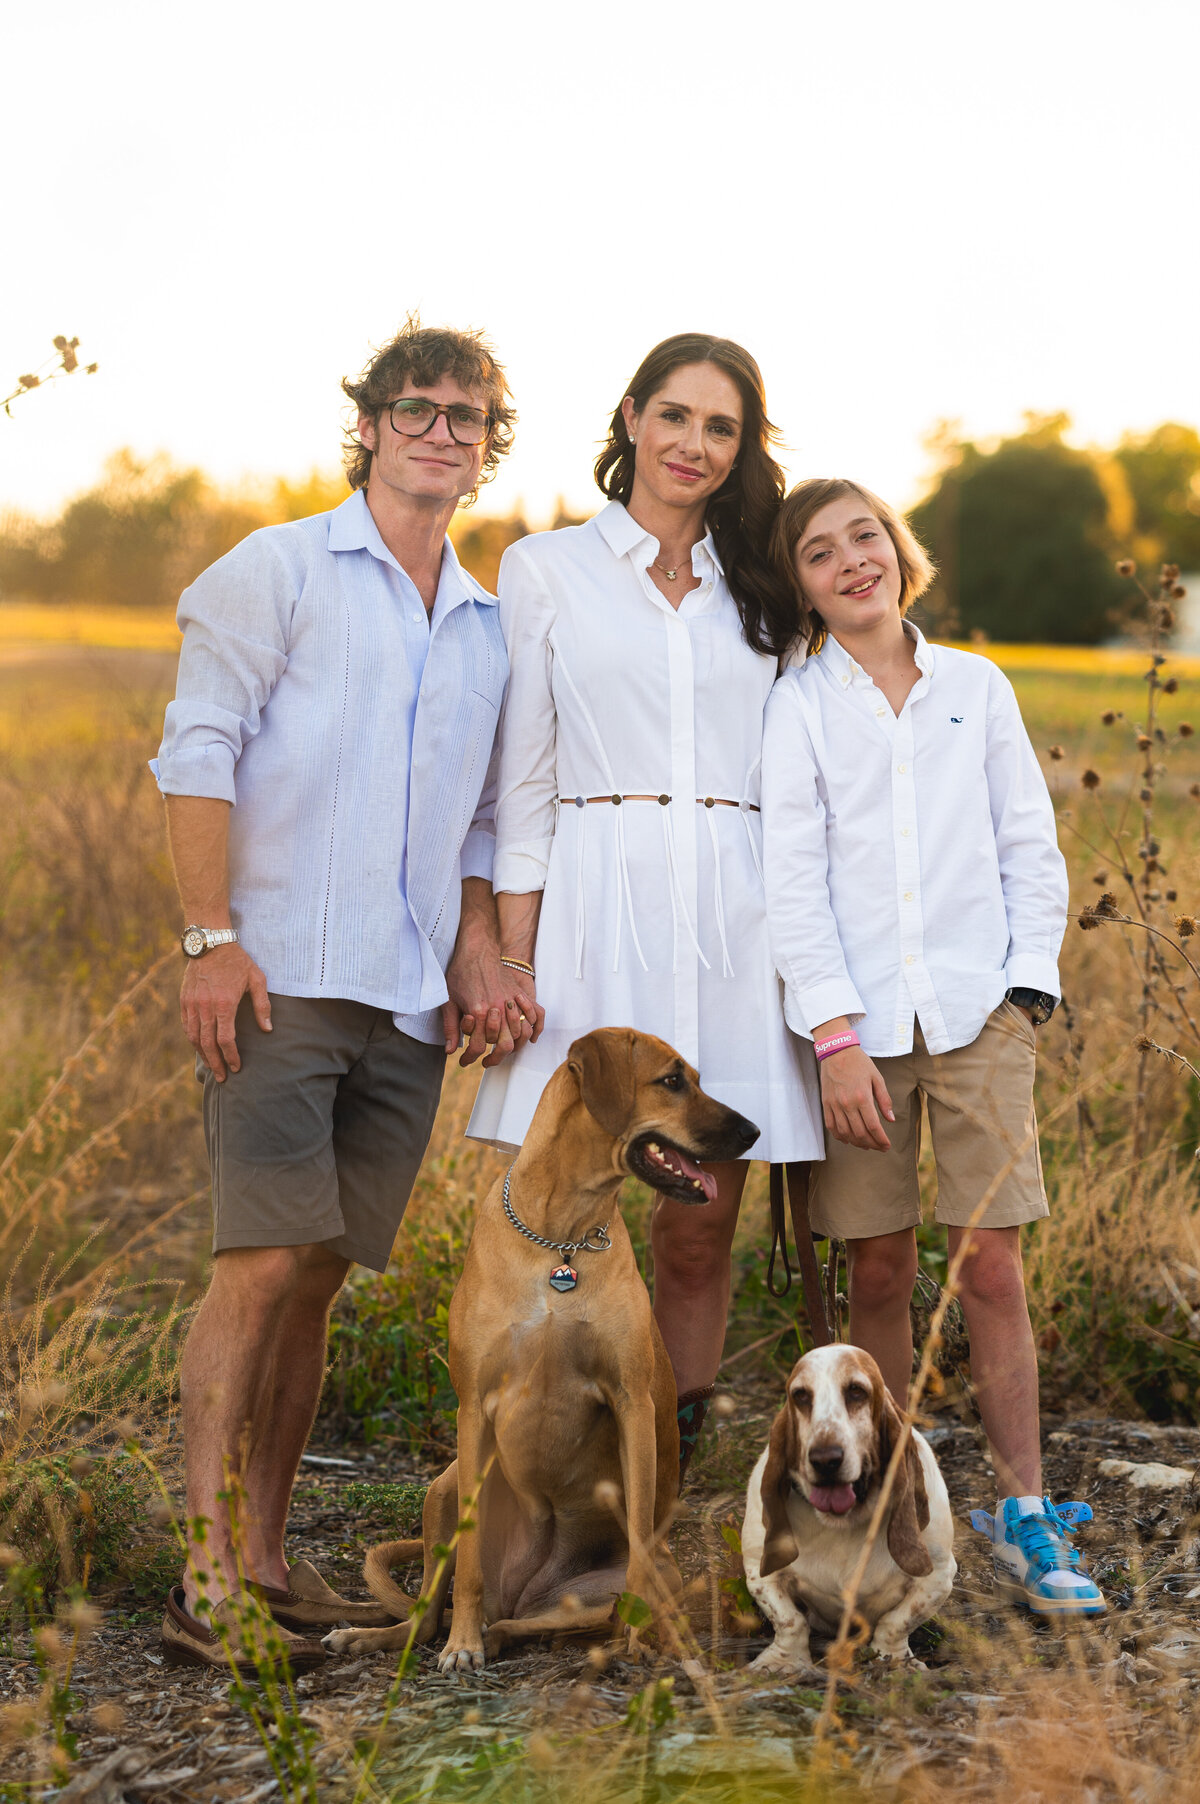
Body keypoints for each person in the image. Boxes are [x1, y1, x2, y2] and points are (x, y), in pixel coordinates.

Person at [152, 321, 541, 1669]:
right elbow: (195, 750)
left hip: (404, 1001)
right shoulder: (277, 570)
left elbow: (487, 821)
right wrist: (210, 939)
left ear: (490, 446)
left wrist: (480, 952)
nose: (442, 429)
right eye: (417, 407)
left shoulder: (491, 622)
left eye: (468, 415)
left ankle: (265, 1556)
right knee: (256, 1266)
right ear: (370, 424)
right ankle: (203, 1578)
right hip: (277, 978)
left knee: (317, 1278)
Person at [467, 334, 823, 1475]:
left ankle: (655, 1475)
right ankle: (528, 1466)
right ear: (630, 418)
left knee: (704, 1208)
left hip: (734, 904)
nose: (694, 446)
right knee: (559, 1188)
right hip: (593, 899)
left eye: (721, 428)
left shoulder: (762, 582)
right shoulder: (546, 567)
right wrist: (517, 964)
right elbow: (523, 780)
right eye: (675, 417)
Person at [761, 477, 1104, 1616]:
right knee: (878, 1268)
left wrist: (1023, 993)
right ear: (801, 583)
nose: (852, 560)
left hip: (975, 1016)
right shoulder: (800, 705)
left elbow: (1028, 844)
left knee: (991, 1265)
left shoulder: (976, 687)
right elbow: (794, 884)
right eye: (821, 551)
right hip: (858, 1035)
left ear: (898, 549)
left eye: (866, 536)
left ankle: (1023, 1512)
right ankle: (890, 1509)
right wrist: (834, 1036)